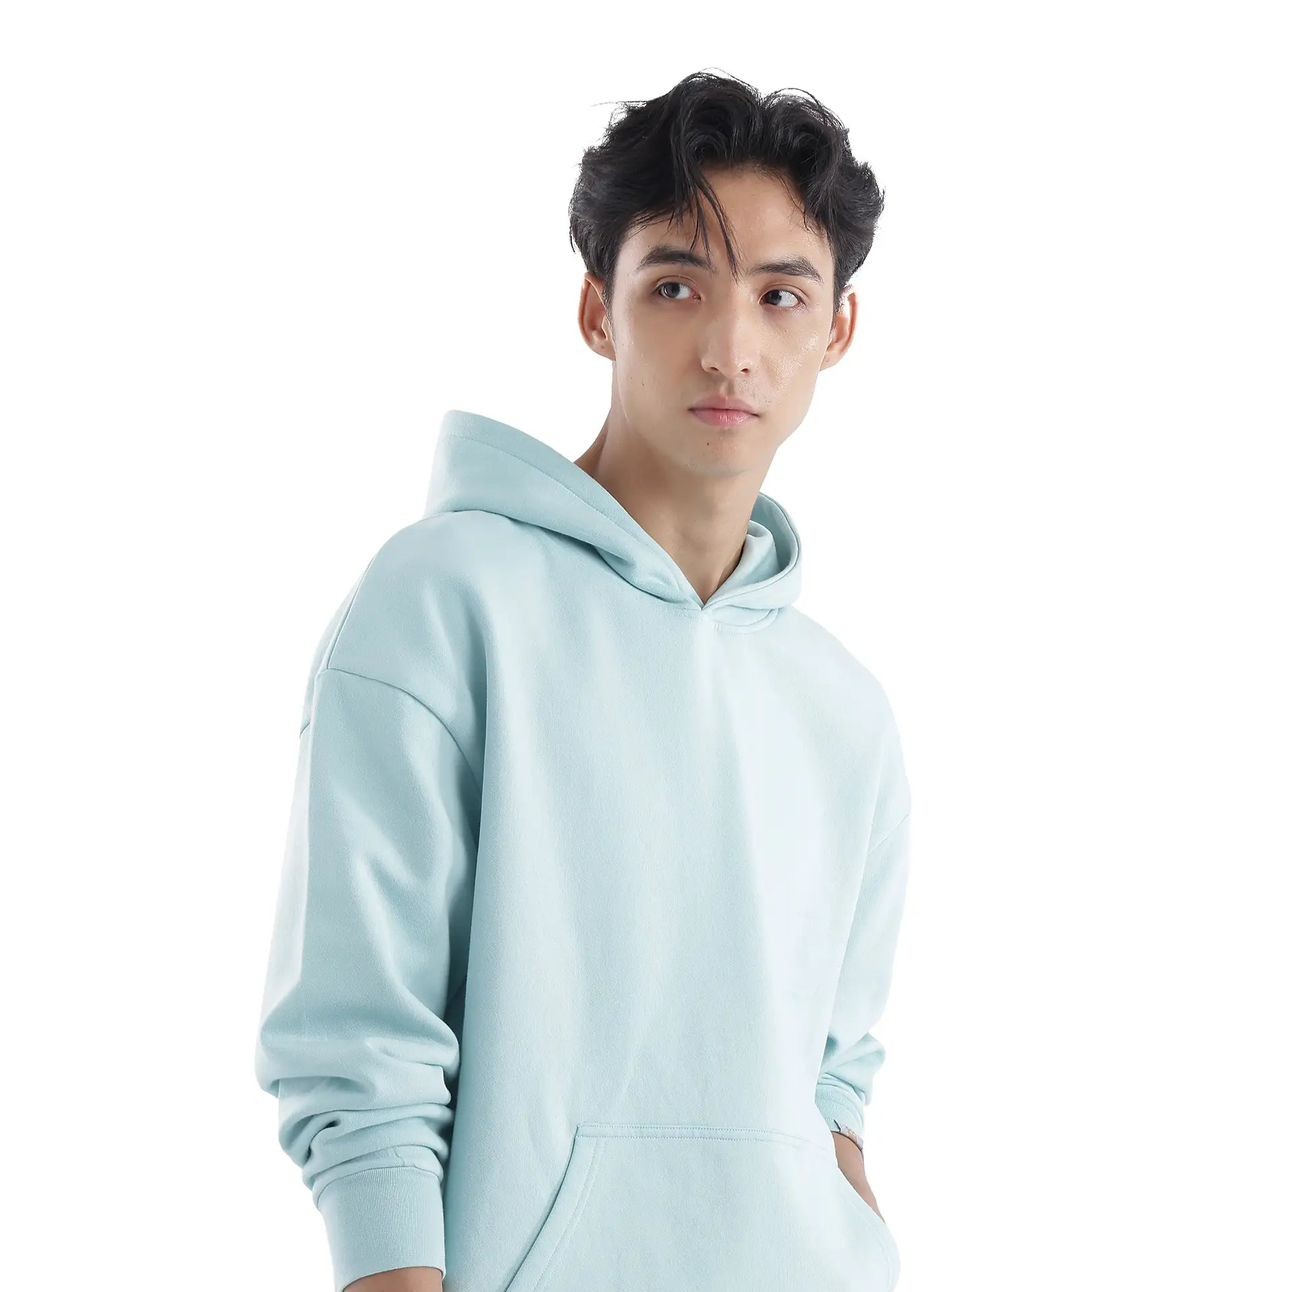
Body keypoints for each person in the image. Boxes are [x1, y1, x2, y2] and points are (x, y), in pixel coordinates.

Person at [253, 70, 912, 1292]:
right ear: (597, 310)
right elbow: (359, 1046)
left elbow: (833, 1074)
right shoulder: (444, 602)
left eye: (779, 295)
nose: (729, 347)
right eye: (675, 285)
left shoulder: (844, 706)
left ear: (836, 329)